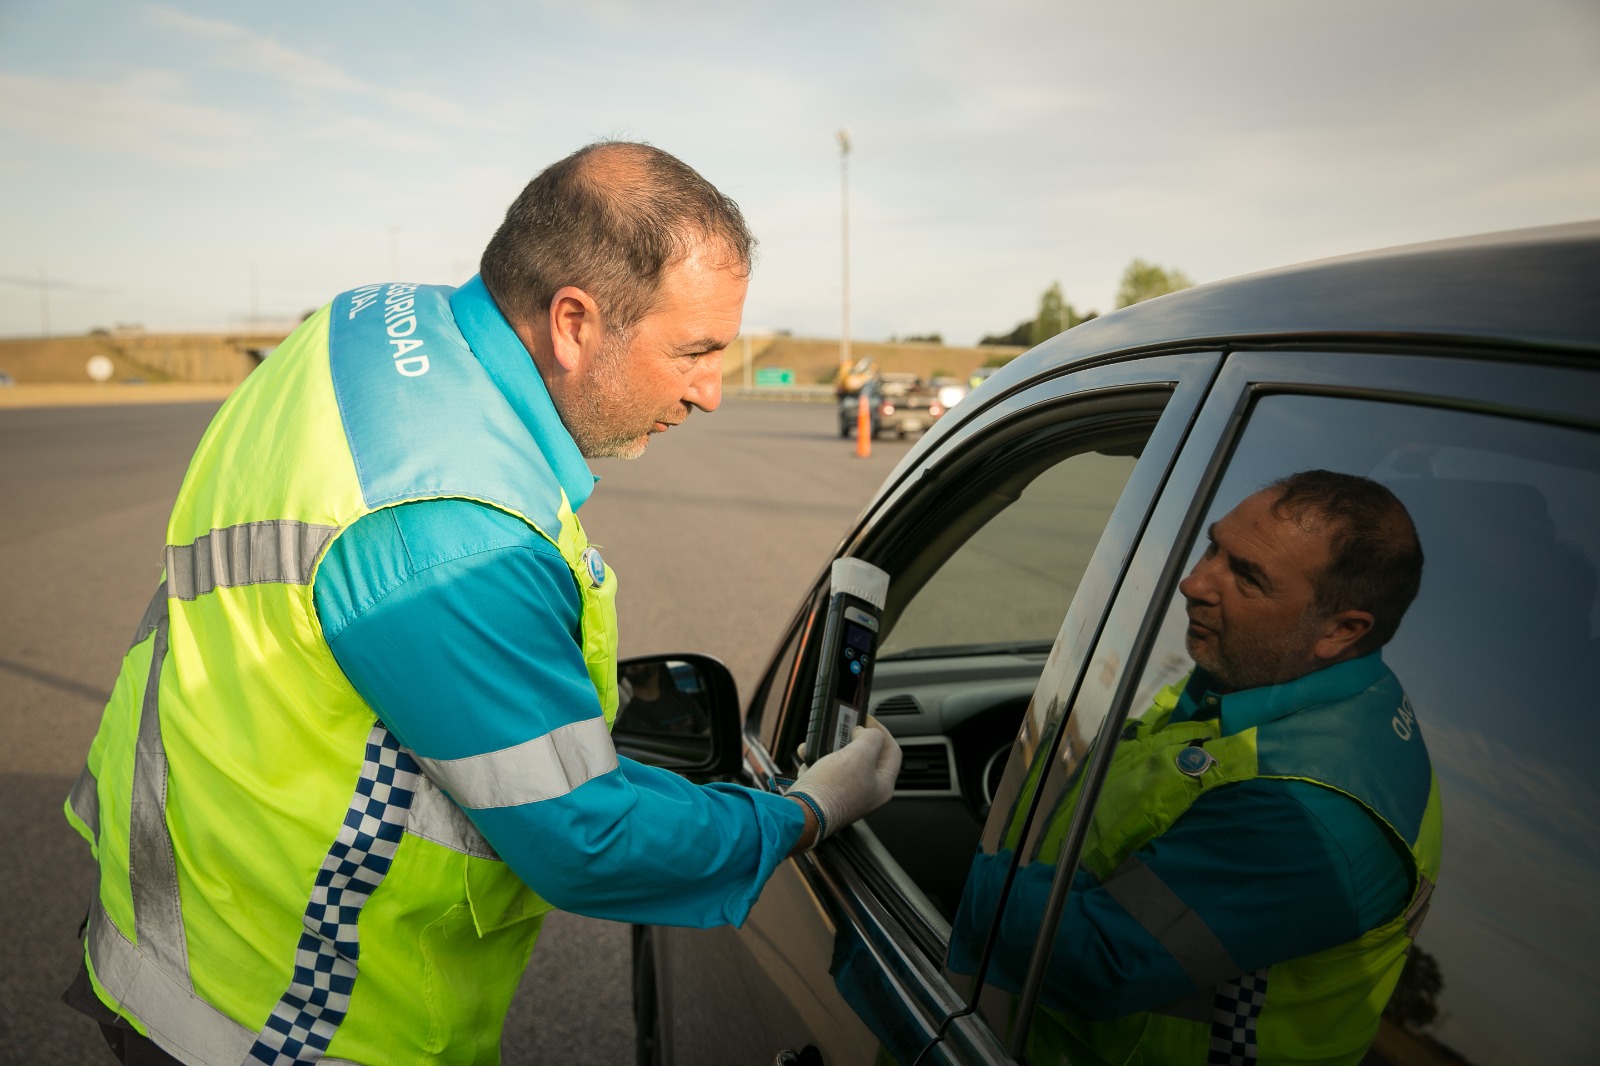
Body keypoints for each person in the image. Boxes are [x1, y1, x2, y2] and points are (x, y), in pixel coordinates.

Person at [62, 141, 901, 1066]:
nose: (709, 392)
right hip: (284, 1020)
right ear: (573, 323)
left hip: (174, 913)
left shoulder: (365, 324)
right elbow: (587, 837)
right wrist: (806, 812)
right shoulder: (455, 534)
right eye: (694, 353)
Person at [951, 470, 1439, 1065]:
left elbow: (1098, 958)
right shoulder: (1268, 678)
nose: (1194, 581)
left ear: (1341, 630)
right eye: (1215, 546)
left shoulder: (1312, 814)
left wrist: (954, 875)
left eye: (1248, 577)